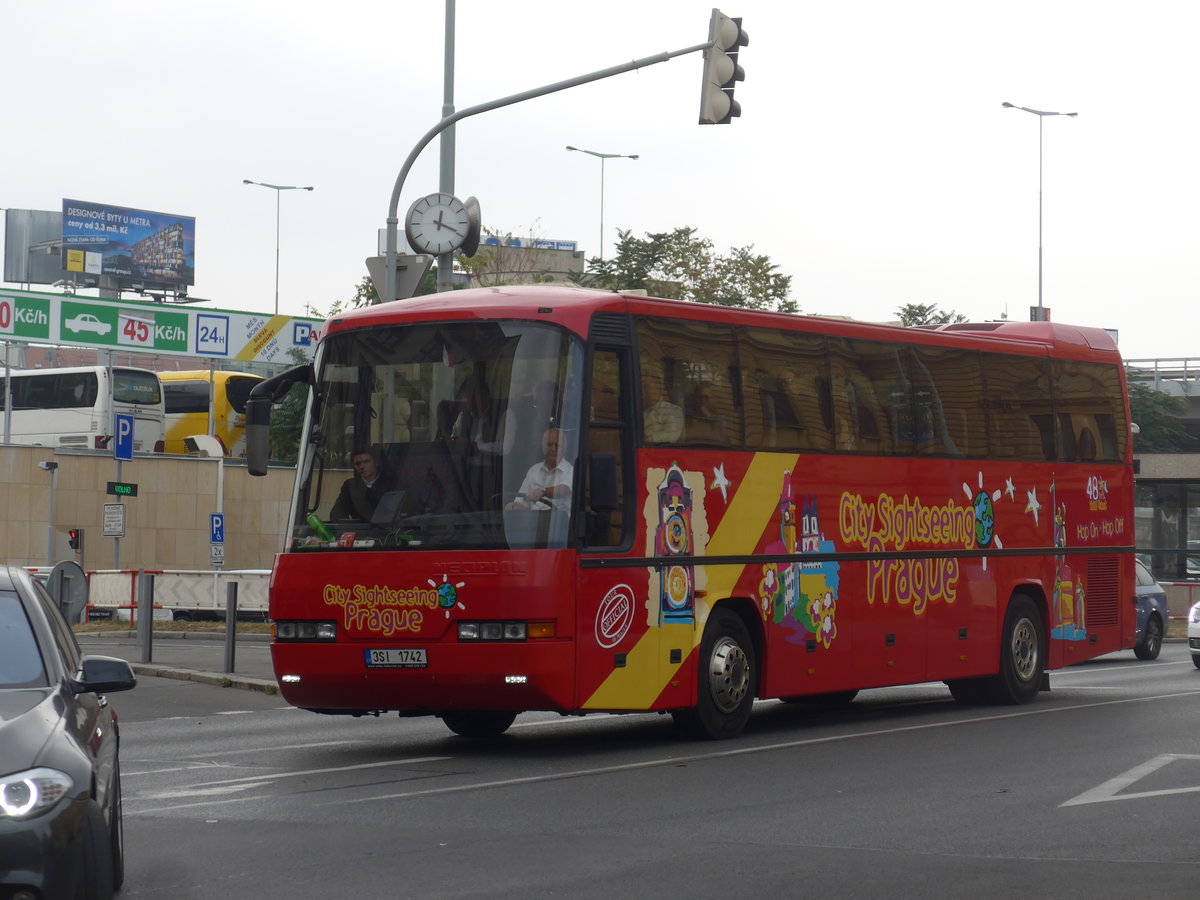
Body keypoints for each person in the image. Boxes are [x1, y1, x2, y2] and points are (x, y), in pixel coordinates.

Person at [506, 428, 573, 510]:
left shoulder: (571, 471)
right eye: (549, 444)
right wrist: (514, 506)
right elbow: (522, 501)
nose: (553, 449)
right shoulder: (534, 470)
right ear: (543, 447)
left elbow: (564, 489)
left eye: (557, 445)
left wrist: (543, 492)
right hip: (533, 520)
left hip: (559, 520)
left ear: (564, 448)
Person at [330, 447, 395, 521]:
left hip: (387, 530)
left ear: (376, 463)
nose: (362, 467)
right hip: (361, 530)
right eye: (358, 464)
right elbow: (337, 513)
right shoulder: (349, 486)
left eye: (366, 462)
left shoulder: (391, 483)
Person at [642, 366, 683, 442]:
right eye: (640, 387)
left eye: (646, 387)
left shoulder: (672, 410)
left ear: (658, 388)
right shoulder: (636, 410)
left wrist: (646, 439)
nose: (642, 391)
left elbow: (671, 436)